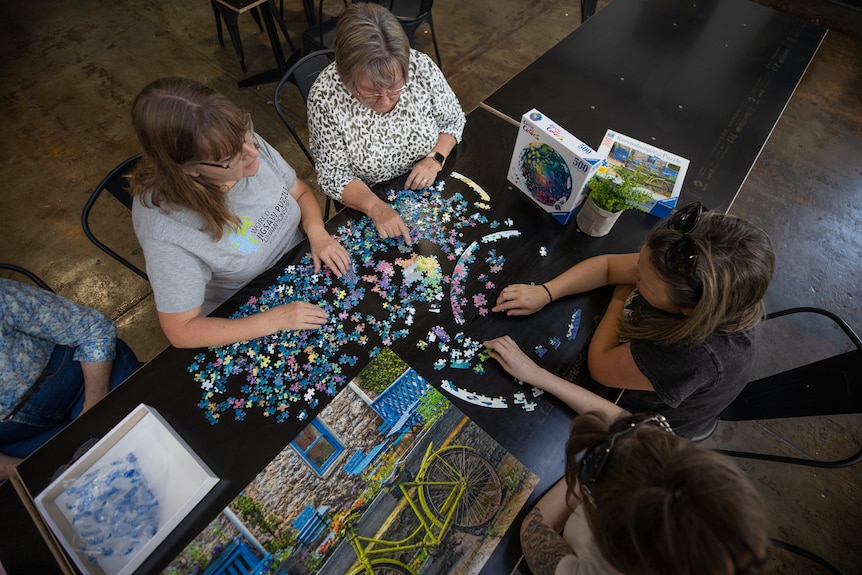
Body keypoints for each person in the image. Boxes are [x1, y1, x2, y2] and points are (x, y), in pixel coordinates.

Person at [483, 335, 770, 574]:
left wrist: (599, 466)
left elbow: (535, 530)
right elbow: (624, 422)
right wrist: (538, 375)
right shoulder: (676, 478)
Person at [490, 203, 776, 438]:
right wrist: (546, 292)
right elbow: (608, 267)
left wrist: (620, 298)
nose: (634, 276)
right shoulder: (680, 261)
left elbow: (600, 367)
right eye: (639, 264)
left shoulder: (693, 354)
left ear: (687, 309)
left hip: (652, 428)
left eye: (645, 284)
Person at [129, 77, 350, 349]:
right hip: (247, 313)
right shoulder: (165, 229)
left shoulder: (239, 141)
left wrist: (316, 231)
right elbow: (181, 330)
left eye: (247, 135)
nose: (253, 153)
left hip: (303, 266)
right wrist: (271, 321)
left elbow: (301, 192)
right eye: (231, 158)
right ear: (190, 169)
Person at [307, 2, 466, 245]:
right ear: (345, 77)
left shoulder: (420, 67)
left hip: (429, 183)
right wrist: (375, 207)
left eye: (394, 87)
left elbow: (453, 119)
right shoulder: (325, 97)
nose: (384, 100)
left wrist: (435, 158)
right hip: (371, 197)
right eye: (370, 92)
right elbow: (334, 175)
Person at [0, 278, 140, 480]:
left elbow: (95, 330)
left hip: (86, 380)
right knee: (101, 482)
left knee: (137, 444)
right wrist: (30, 475)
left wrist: (94, 405)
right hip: (23, 439)